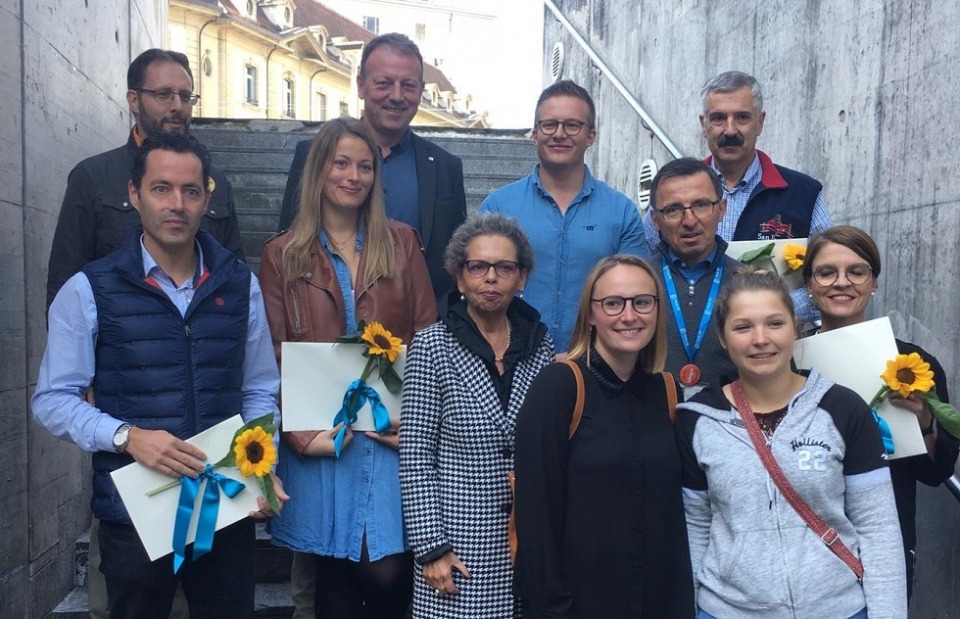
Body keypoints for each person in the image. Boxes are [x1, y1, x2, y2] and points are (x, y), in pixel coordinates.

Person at [31, 132, 284, 618]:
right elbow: (53, 398)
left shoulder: (238, 282)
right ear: (134, 194)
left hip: (223, 505)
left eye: (191, 191)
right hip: (136, 509)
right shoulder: (89, 289)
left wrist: (261, 465)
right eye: (161, 188)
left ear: (208, 199)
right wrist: (128, 437)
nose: (177, 204)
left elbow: (258, 388)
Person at [260, 117, 437, 619]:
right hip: (321, 433)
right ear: (318, 171)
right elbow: (274, 353)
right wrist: (297, 436)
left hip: (390, 431)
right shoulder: (282, 253)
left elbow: (426, 336)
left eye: (364, 166)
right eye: (341, 163)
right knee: (333, 564)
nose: (353, 176)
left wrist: (418, 423)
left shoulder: (402, 243)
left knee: (386, 565)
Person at [677, 267, 906, 619]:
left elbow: (878, 527)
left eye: (774, 323)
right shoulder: (698, 419)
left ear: (794, 327)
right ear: (723, 338)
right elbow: (694, 528)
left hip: (838, 609)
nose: (760, 339)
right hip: (728, 610)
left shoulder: (841, 409)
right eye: (743, 327)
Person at [513, 254, 694, 619]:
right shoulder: (559, 386)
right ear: (591, 315)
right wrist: (552, 609)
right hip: (580, 604)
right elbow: (537, 516)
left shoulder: (668, 391)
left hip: (657, 603)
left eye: (642, 302)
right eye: (613, 303)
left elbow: (676, 519)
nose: (629, 316)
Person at [399, 213, 554, 617]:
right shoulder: (432, 346)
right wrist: (431, 548)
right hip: (457, 552)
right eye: (478, 266)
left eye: (505, 267)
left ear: (521, 278)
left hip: (527, 542)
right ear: (459, 276)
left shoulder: (539, 344)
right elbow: (415, 457)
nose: (491, 278)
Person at [803, 225, 960, 599]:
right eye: (826, 272)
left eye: (857, 271)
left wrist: (923, 421)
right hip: (801, 541)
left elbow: (935, 474)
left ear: (873, 282)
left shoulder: (912, 363)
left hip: (884, 544)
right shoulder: (785, 360)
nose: (842, 282)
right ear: (809, 284)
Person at [47, 48, 243, 310]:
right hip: (118, 342)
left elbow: (234, 276)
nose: (177, 106)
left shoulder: (214, 181)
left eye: (185, 96)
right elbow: (64, 286)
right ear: (134, 100)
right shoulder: (92, 177)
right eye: (163, 95)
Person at [278, 33, 466, 302]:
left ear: (421, 91)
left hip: (417, 332)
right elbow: (289, 242)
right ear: (361, 85)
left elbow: (455, 265)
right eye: (384, 83)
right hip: (324, 326)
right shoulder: (312, 154)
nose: (397, 96)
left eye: (409, 85)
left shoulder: (446, 168)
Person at [479, 80, 646, 354]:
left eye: (572, 125)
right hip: (511, 361)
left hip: (596, 363)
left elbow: (634, 295)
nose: (559, 134)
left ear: (590, 136)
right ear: (534, 133)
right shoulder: (498, 206)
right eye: (549, 125)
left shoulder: (622, 212)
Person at [649, 157, 740, 394]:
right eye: (673, 209)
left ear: (721, 209)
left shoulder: (747, 283)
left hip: (728, 422)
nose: (689, 221)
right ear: (655, 220)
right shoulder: (637, 283)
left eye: (701, 205)